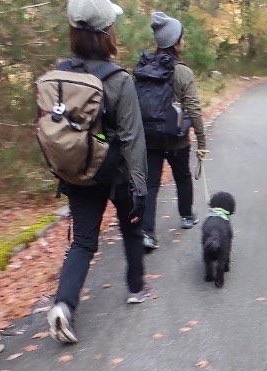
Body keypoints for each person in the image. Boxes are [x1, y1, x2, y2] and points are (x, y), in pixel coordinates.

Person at [47, 0, 151, 344]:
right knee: (131, 229)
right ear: (106, 33)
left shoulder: (60, 73)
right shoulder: (118, 79)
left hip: (78, 171)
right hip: (116, 171)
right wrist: (140, 186)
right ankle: (136, 288)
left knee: (83, 242)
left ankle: (63, 305)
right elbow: (133, 137)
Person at [139, 12, 208, 251]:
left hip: (149, 137)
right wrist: (202, 142)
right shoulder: (183, 72)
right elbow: (194, 109)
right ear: (175, 42)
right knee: (183, 176)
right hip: (177, 138)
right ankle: (187, 216)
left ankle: (147, 233)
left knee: (150, 185)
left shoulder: (144, 66)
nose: (184, 42)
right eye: (181, 38)